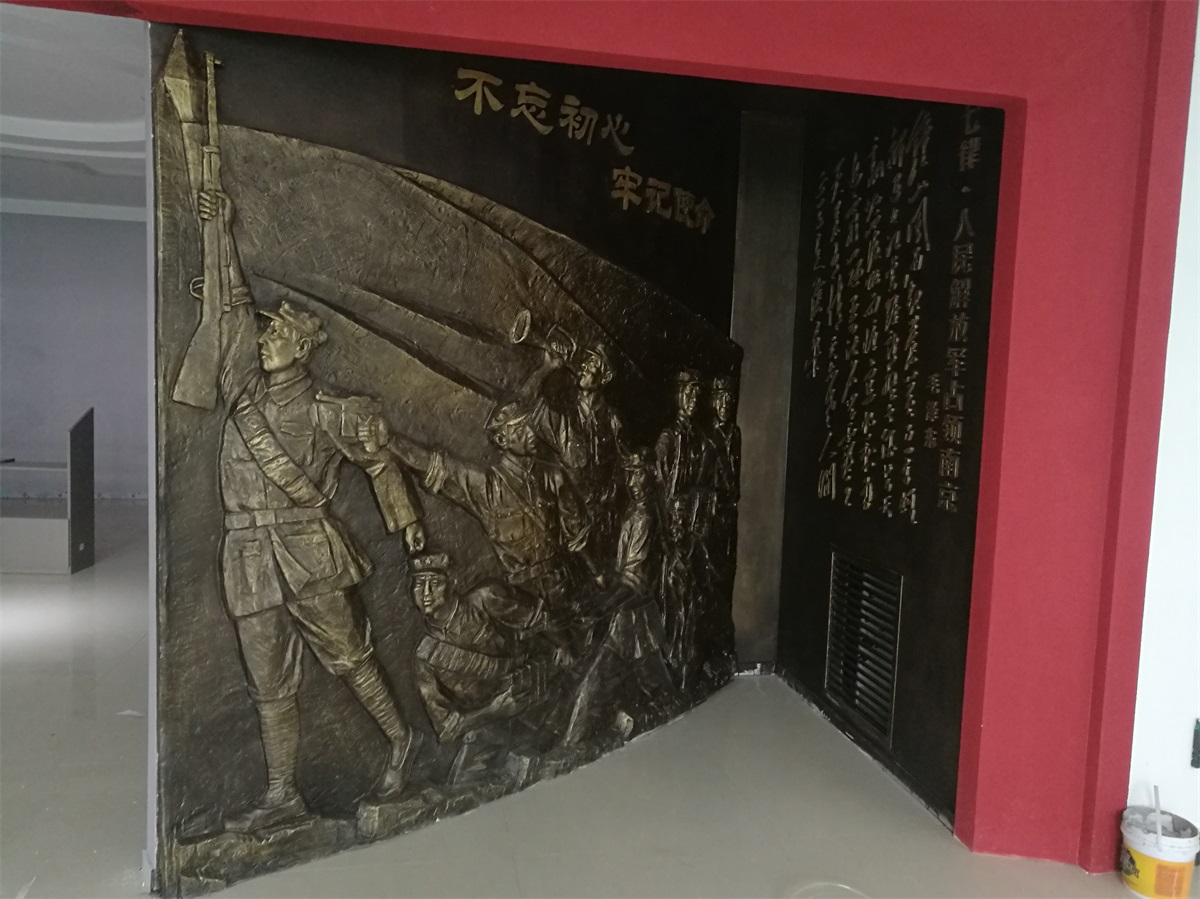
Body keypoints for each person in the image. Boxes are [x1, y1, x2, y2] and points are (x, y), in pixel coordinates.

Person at [182, 190, 426, 833]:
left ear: (305, 347)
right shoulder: (243, 393)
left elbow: (380, 462)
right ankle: (282, 793)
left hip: (306, 552)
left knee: (350, 657)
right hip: (248, 557)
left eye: (279, 336)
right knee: (268, 681)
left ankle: (401, 741)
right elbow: (233, 308)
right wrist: (219, 228)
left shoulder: (326, 411)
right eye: (267, 334)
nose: (266, 342)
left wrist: (408, 526)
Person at [371, 401, 591, 607]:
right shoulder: (486, 487)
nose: (531, 434)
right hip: (527, 595)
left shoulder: (551, 475)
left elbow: (576, 530)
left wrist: (596, 573)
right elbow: (438, 467)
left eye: (529, 426)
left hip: (569, 581)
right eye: (519, 430)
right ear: (502, 440)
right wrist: (392, 441)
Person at [529, 341, 626, 559]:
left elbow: (621, 466)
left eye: (592, 363)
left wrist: (609, 497)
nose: (583, 366)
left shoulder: (612, 421)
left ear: (605, 377)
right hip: (572, 526)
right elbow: (528, 407)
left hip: (604, 522)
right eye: (585, 361)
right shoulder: (564, 415)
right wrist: (548, 368)